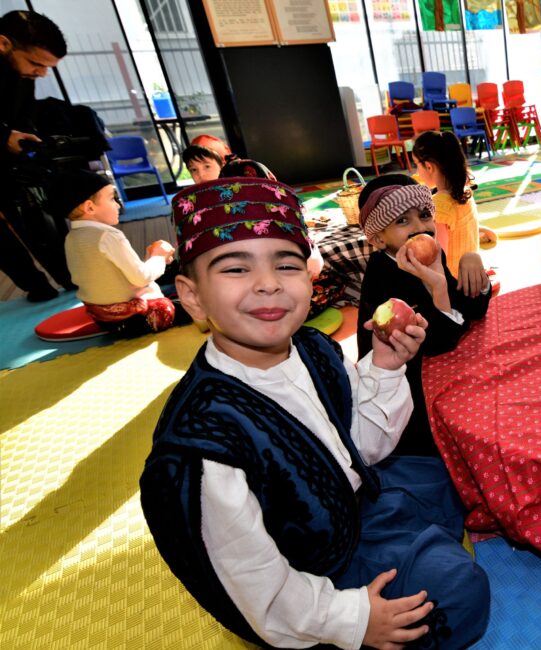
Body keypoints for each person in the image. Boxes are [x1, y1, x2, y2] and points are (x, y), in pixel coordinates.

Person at [140, 177, 490, 650]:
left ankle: (417, 544)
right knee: (459, 596)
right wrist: (353, 618)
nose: (268, 284)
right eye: (235, 269)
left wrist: (385, 367)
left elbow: (357, 448)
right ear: (193, 295)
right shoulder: (205, 443)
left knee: (460, 466)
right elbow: (253, 581)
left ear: (310, 277)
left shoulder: (314, 347)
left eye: (286, 264)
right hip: (311, 568)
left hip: (352, 503)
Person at [355, 179, 491, 457]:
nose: (420, 227)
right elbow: (440, 344)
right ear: (379, 239)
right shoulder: (383, 280)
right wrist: (438, 286)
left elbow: (471, 310)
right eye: (403, 220)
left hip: (445, 377)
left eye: (425, 215)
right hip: (411, 404)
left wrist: (472, 263)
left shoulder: (429, 254)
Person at [0, 9, 74, 301]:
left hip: (9, 160)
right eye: (35, 63)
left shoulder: (20, 75)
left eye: (47, 67)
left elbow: (23, 115)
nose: (41, 73)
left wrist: (29, 137)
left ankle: (72, 280)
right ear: (3, 43)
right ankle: (36, 287)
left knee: (38, 218)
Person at [57, 169, 184, 336]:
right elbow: (141, 278)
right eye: (112, 199)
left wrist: (150, 259)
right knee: (197, 304)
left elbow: (109, 275)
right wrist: (159, 256)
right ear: (90, 207)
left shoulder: (72, 237)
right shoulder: (108, 235)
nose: (118, 204)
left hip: (104, 319)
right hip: (139, 318)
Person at [411, 130, 486, 291]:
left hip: (454, 285)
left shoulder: (439, 205)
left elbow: (439, 258)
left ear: (429, 166)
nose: (417, 172)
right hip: (470, 277)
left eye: (417, 165)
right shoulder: (464, 192)